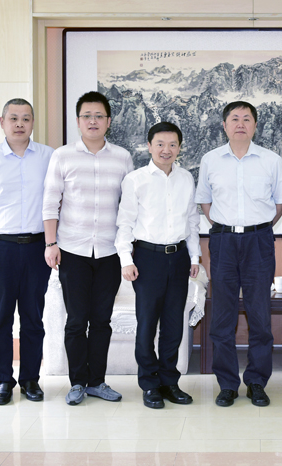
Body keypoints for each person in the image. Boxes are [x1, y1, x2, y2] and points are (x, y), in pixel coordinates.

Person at [42, 91, 134, 406]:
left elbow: (129, 206)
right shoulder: (62, 156)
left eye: (99, 116)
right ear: (78, 120)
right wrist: (51, 243)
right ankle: (77, 382)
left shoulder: (122, 157)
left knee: (102, 320)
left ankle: (97, 382)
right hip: (72, 250)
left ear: (108, 121)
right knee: (76, 321)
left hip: (109, 251)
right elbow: (50, 202)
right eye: (87, 116)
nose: (93, 121)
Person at [195, 101, 282, 407]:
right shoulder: (210, 160)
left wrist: (256, 228)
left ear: (255, 126)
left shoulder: (271, 160)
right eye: (234, 118)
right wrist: (228, 227)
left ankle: (257, 382)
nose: (240, 124)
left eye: (247, 119)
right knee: (223, 316)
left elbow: (279, 204)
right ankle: (227, 384)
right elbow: (205, 202)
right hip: (223, 241)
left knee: (260, 315)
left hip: (259, 241)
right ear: (224, 125)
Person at [0, 98, 54, 405]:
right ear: (2, 122)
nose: (20, 124)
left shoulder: (48, 156)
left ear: (33, 123)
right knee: (1, 318)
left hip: (37, 248)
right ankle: (3, 380)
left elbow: (57, 202)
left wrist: (52, 244)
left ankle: (30, 379)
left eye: (26, 118)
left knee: (33, 318)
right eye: (13, 118)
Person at [115, 122, 201, 409]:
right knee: (147, 324)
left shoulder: (186, 178)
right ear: (149, 146)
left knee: (174, 324)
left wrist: (195, 257)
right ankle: (149, 383)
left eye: (172, 144)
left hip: (178, 257)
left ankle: (169, 381)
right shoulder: (135, 180)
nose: (166, 150)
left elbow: (192, 221)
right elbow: (125, 222)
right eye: (160, 144)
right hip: (147, 258)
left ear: (179, 148)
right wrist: (126, 260)